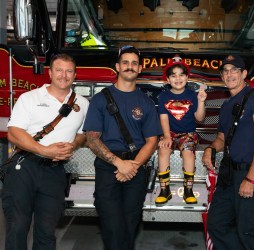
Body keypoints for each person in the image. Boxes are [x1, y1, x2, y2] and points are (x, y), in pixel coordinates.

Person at [2, 53, 89, 249]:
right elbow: (14, 133)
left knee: (47, 231)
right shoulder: (29, 98)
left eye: (69, 71)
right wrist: (44, 150)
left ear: (75, 75)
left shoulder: (83, 104)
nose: (64, 75)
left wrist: (74, 144)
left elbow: (84, 134)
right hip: (24, 168)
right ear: (50, 73)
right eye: (59, 70)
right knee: (17, 227)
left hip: (55, 173)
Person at [83, 45, 162, 250]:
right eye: (125, 63)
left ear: (140, 68)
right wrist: (119, 163)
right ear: (117, 67)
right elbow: (92, 139)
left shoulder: (145, 102)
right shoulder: (100, 99)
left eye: (134, 63)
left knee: (130, 222)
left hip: (136, 166)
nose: (130, 66)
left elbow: (152, 140)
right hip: (108, 166)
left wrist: (133, 165)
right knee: (112, 223)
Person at [202, 54, 254, 249]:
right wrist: (210, 148)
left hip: (250, 173)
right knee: (216, 224)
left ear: (243, 74)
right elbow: (221, 139)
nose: (229, 74)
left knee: (248, 231)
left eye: (235, 70)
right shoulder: (226, 106)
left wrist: (250, 178)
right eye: (225, 71)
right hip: (228, 175)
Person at [156, 55, 207, 205]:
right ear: (167, 80)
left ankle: (188, 190)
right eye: (173, 75)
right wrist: (166, 137)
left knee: (188, 154)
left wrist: (201, 101)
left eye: (181, 75)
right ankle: (165, 190)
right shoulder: (163, 96)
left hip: (188, 134)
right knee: (163, 150)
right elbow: (164, 118)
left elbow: (200, 118)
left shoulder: (193, 95)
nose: (177, 78)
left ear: (187, 77)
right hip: (169, 133)